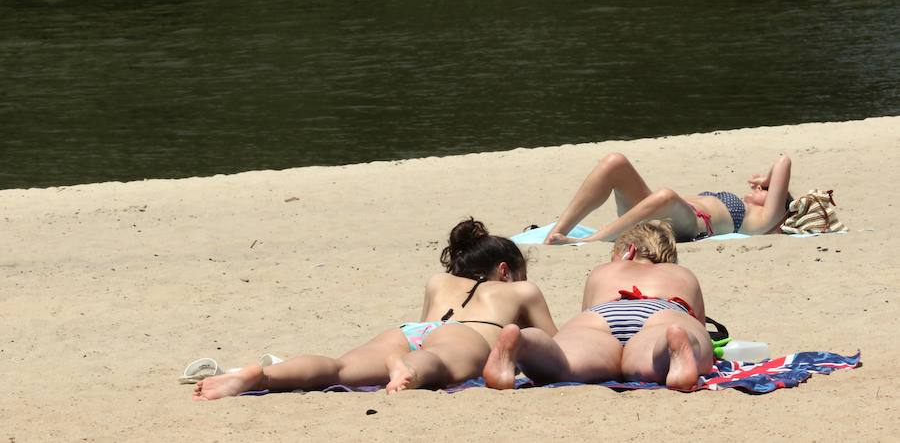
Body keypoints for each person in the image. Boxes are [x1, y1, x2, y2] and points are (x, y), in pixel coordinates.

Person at [192, 218, 557, 400]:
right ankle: (406, 370)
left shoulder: (438, 281)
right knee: (438, 363)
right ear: (506, 270)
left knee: (340, 368)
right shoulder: (522, 290)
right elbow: (557, 348)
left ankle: (263, 376)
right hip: (468, 333)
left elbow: (426, 329)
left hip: (410, 332)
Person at [483, 221, 714, 390]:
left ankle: (523, 342)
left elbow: (586, 314)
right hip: (662, 315)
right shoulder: (682, 273)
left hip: (601, 317)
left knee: (564, 361)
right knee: (659, 353)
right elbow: (700, 326)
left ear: (627, 252)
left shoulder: (603, 271)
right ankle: (671, 344)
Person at [545, 152, 792, 244]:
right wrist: (766, 184)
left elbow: (784, 161)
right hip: (655, 211)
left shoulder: (765, 219)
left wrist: (766, 180)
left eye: (766, 191)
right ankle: (557, 232)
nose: (760, 189)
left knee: (667, 195)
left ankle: (592, 240)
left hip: (689, 224)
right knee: (614, 162)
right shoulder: (755, 210)